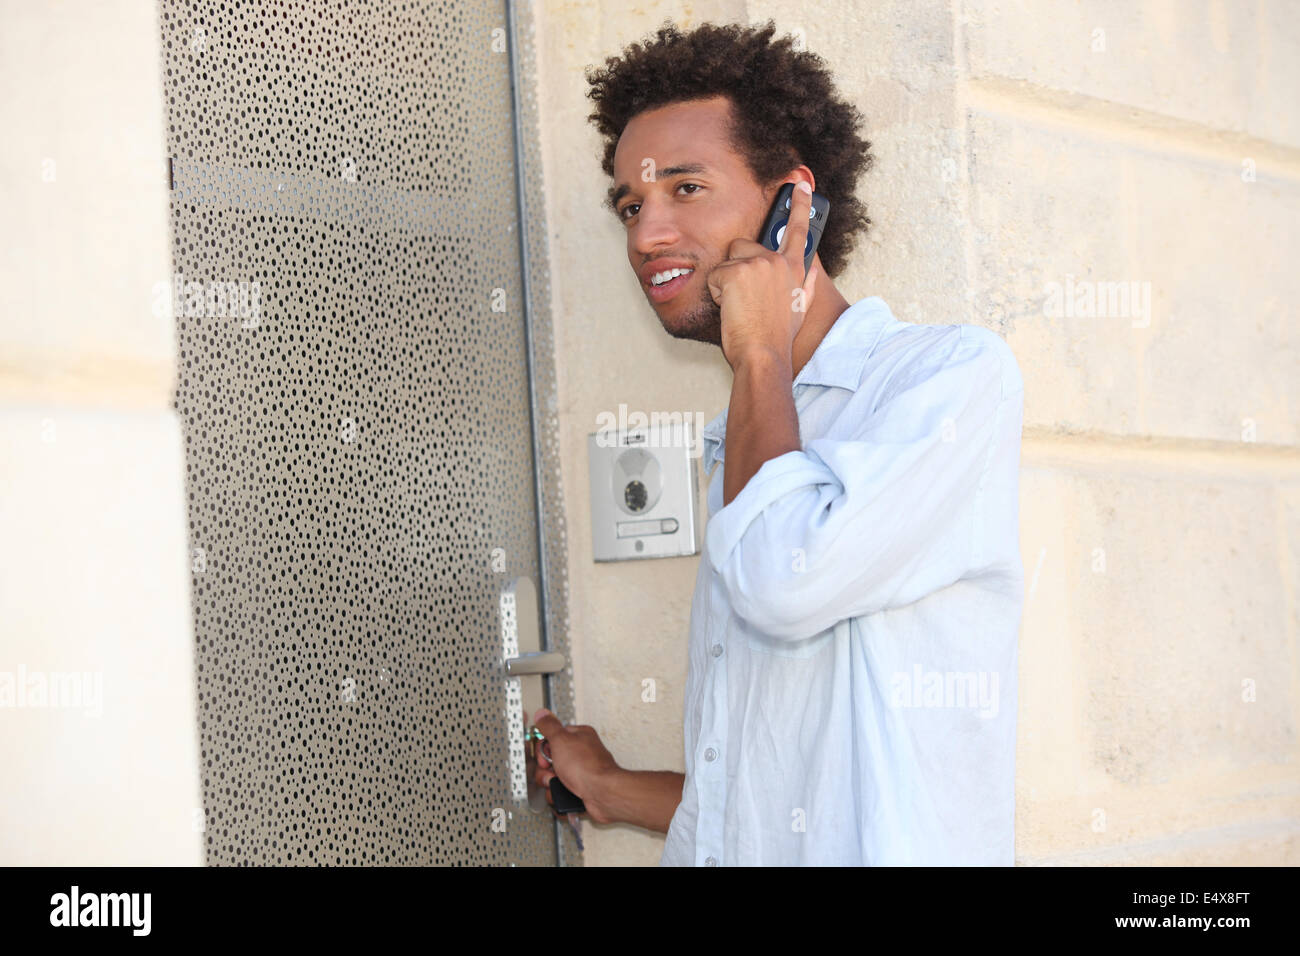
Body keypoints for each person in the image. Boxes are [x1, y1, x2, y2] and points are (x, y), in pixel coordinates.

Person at [533, 19, 1025, 865]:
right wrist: (614, 790)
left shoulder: (947, 379)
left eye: (685, 189)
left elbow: (780, 586)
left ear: (791, 206)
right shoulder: (748, 433)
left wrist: (760, 347)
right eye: (631, 204)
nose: (645, 236)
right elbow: (768, 789)